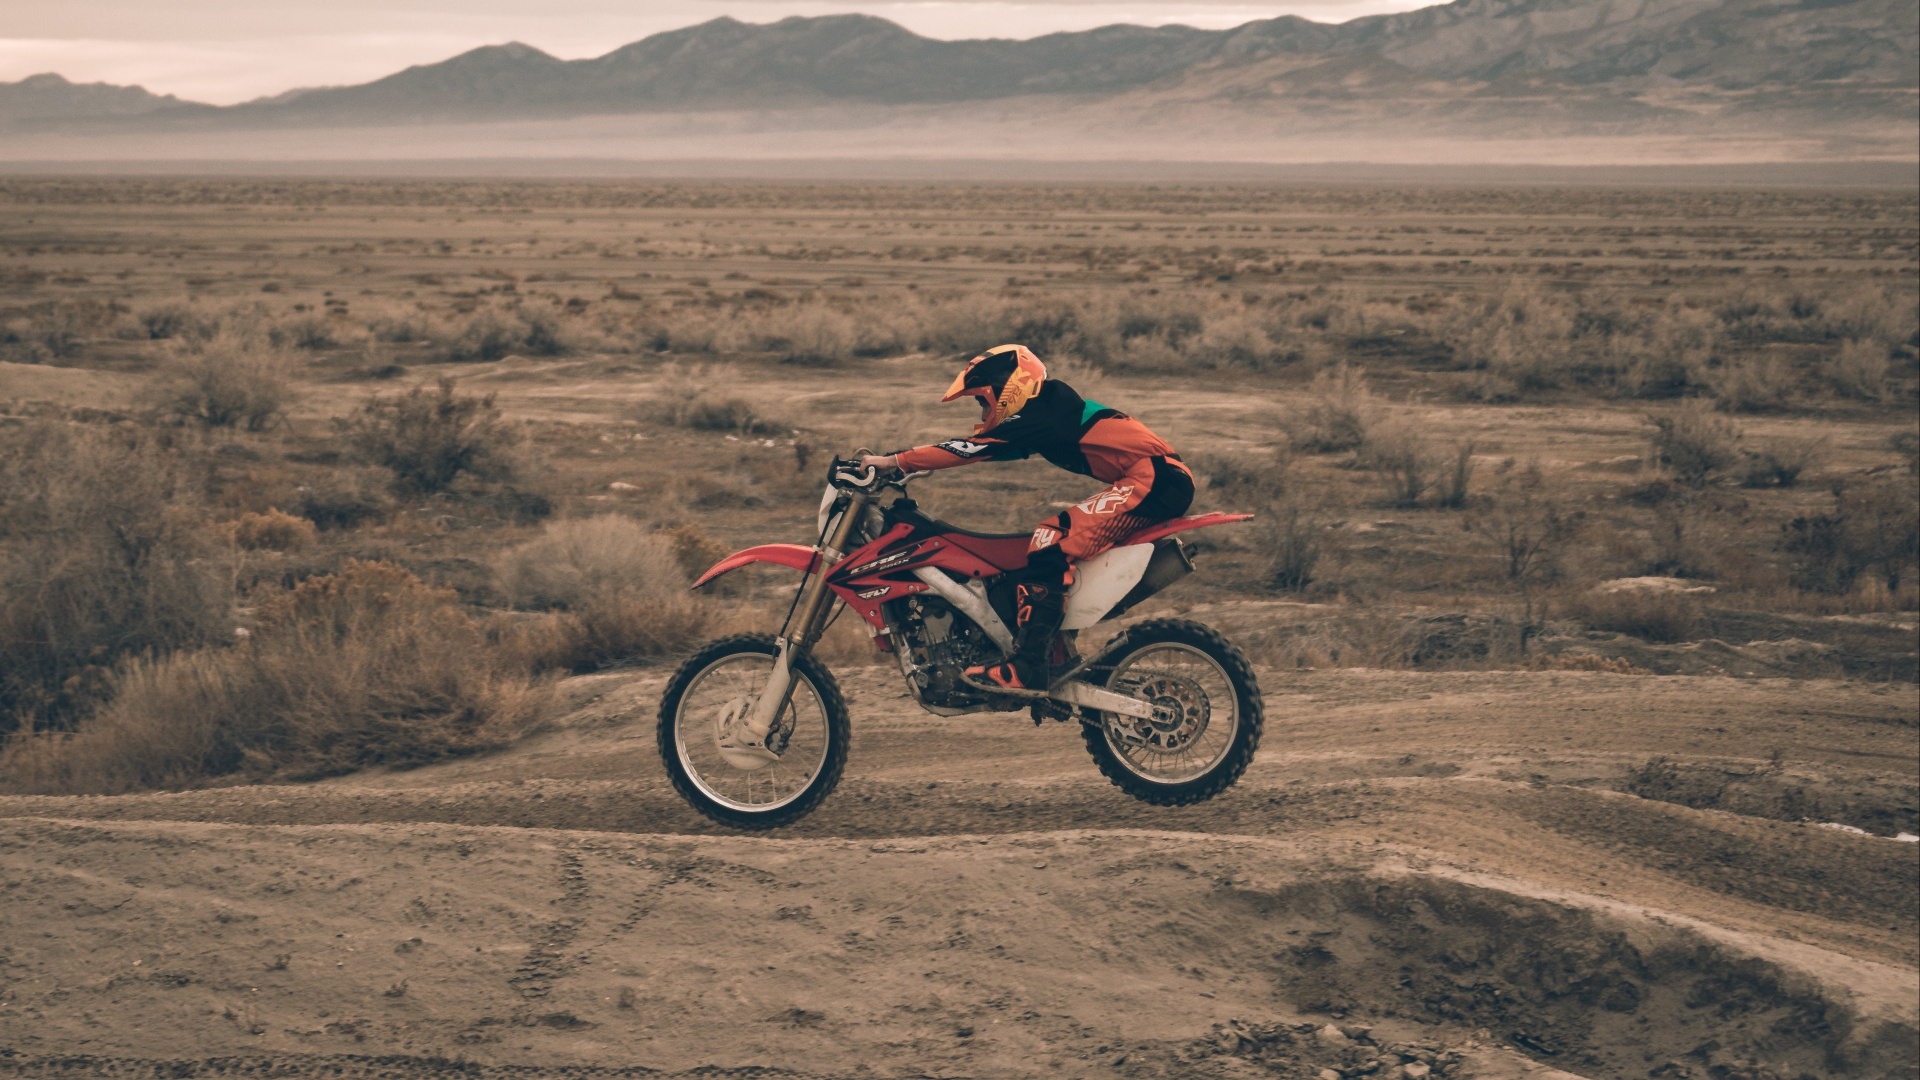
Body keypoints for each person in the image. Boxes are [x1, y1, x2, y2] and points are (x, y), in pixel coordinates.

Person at [861, 343, 1193, 694]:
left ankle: (1030, 666)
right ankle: (1052, 650)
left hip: (1155, 481)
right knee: (1049, 539)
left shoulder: (1042, 412)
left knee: (1051, 540)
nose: (984, 408)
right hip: (1153, 479)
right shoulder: (1048, 410)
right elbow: (993, 449)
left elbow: (973, 449)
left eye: (983, 399)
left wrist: (894, 461)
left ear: (1007, 386)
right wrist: (909, 469)